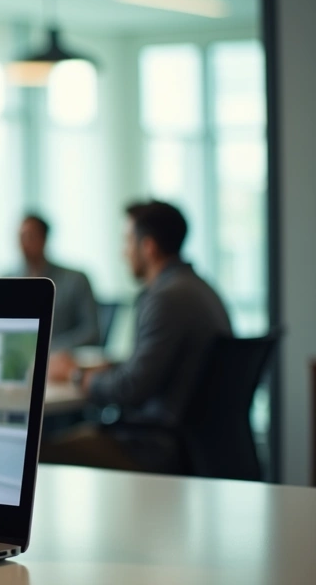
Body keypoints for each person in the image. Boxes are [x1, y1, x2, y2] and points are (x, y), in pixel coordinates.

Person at [42, 201, 232, 473]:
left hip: (150, 448)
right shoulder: (197, 288)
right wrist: (98, 368)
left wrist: (74, 375)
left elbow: (130, 389)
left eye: (127, 241)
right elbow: (153, 369)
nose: (124, 252)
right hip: (189, 440)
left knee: (36, 453)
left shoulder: (166, 299)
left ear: (148, 247)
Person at [13, 214, 101, 353]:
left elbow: (91, 332)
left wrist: (48, 348)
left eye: (30, 236)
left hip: (61, 361)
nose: (23, 244)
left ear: (44, 239)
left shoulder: (75, 280)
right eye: (20, 237)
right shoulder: (8, 282)